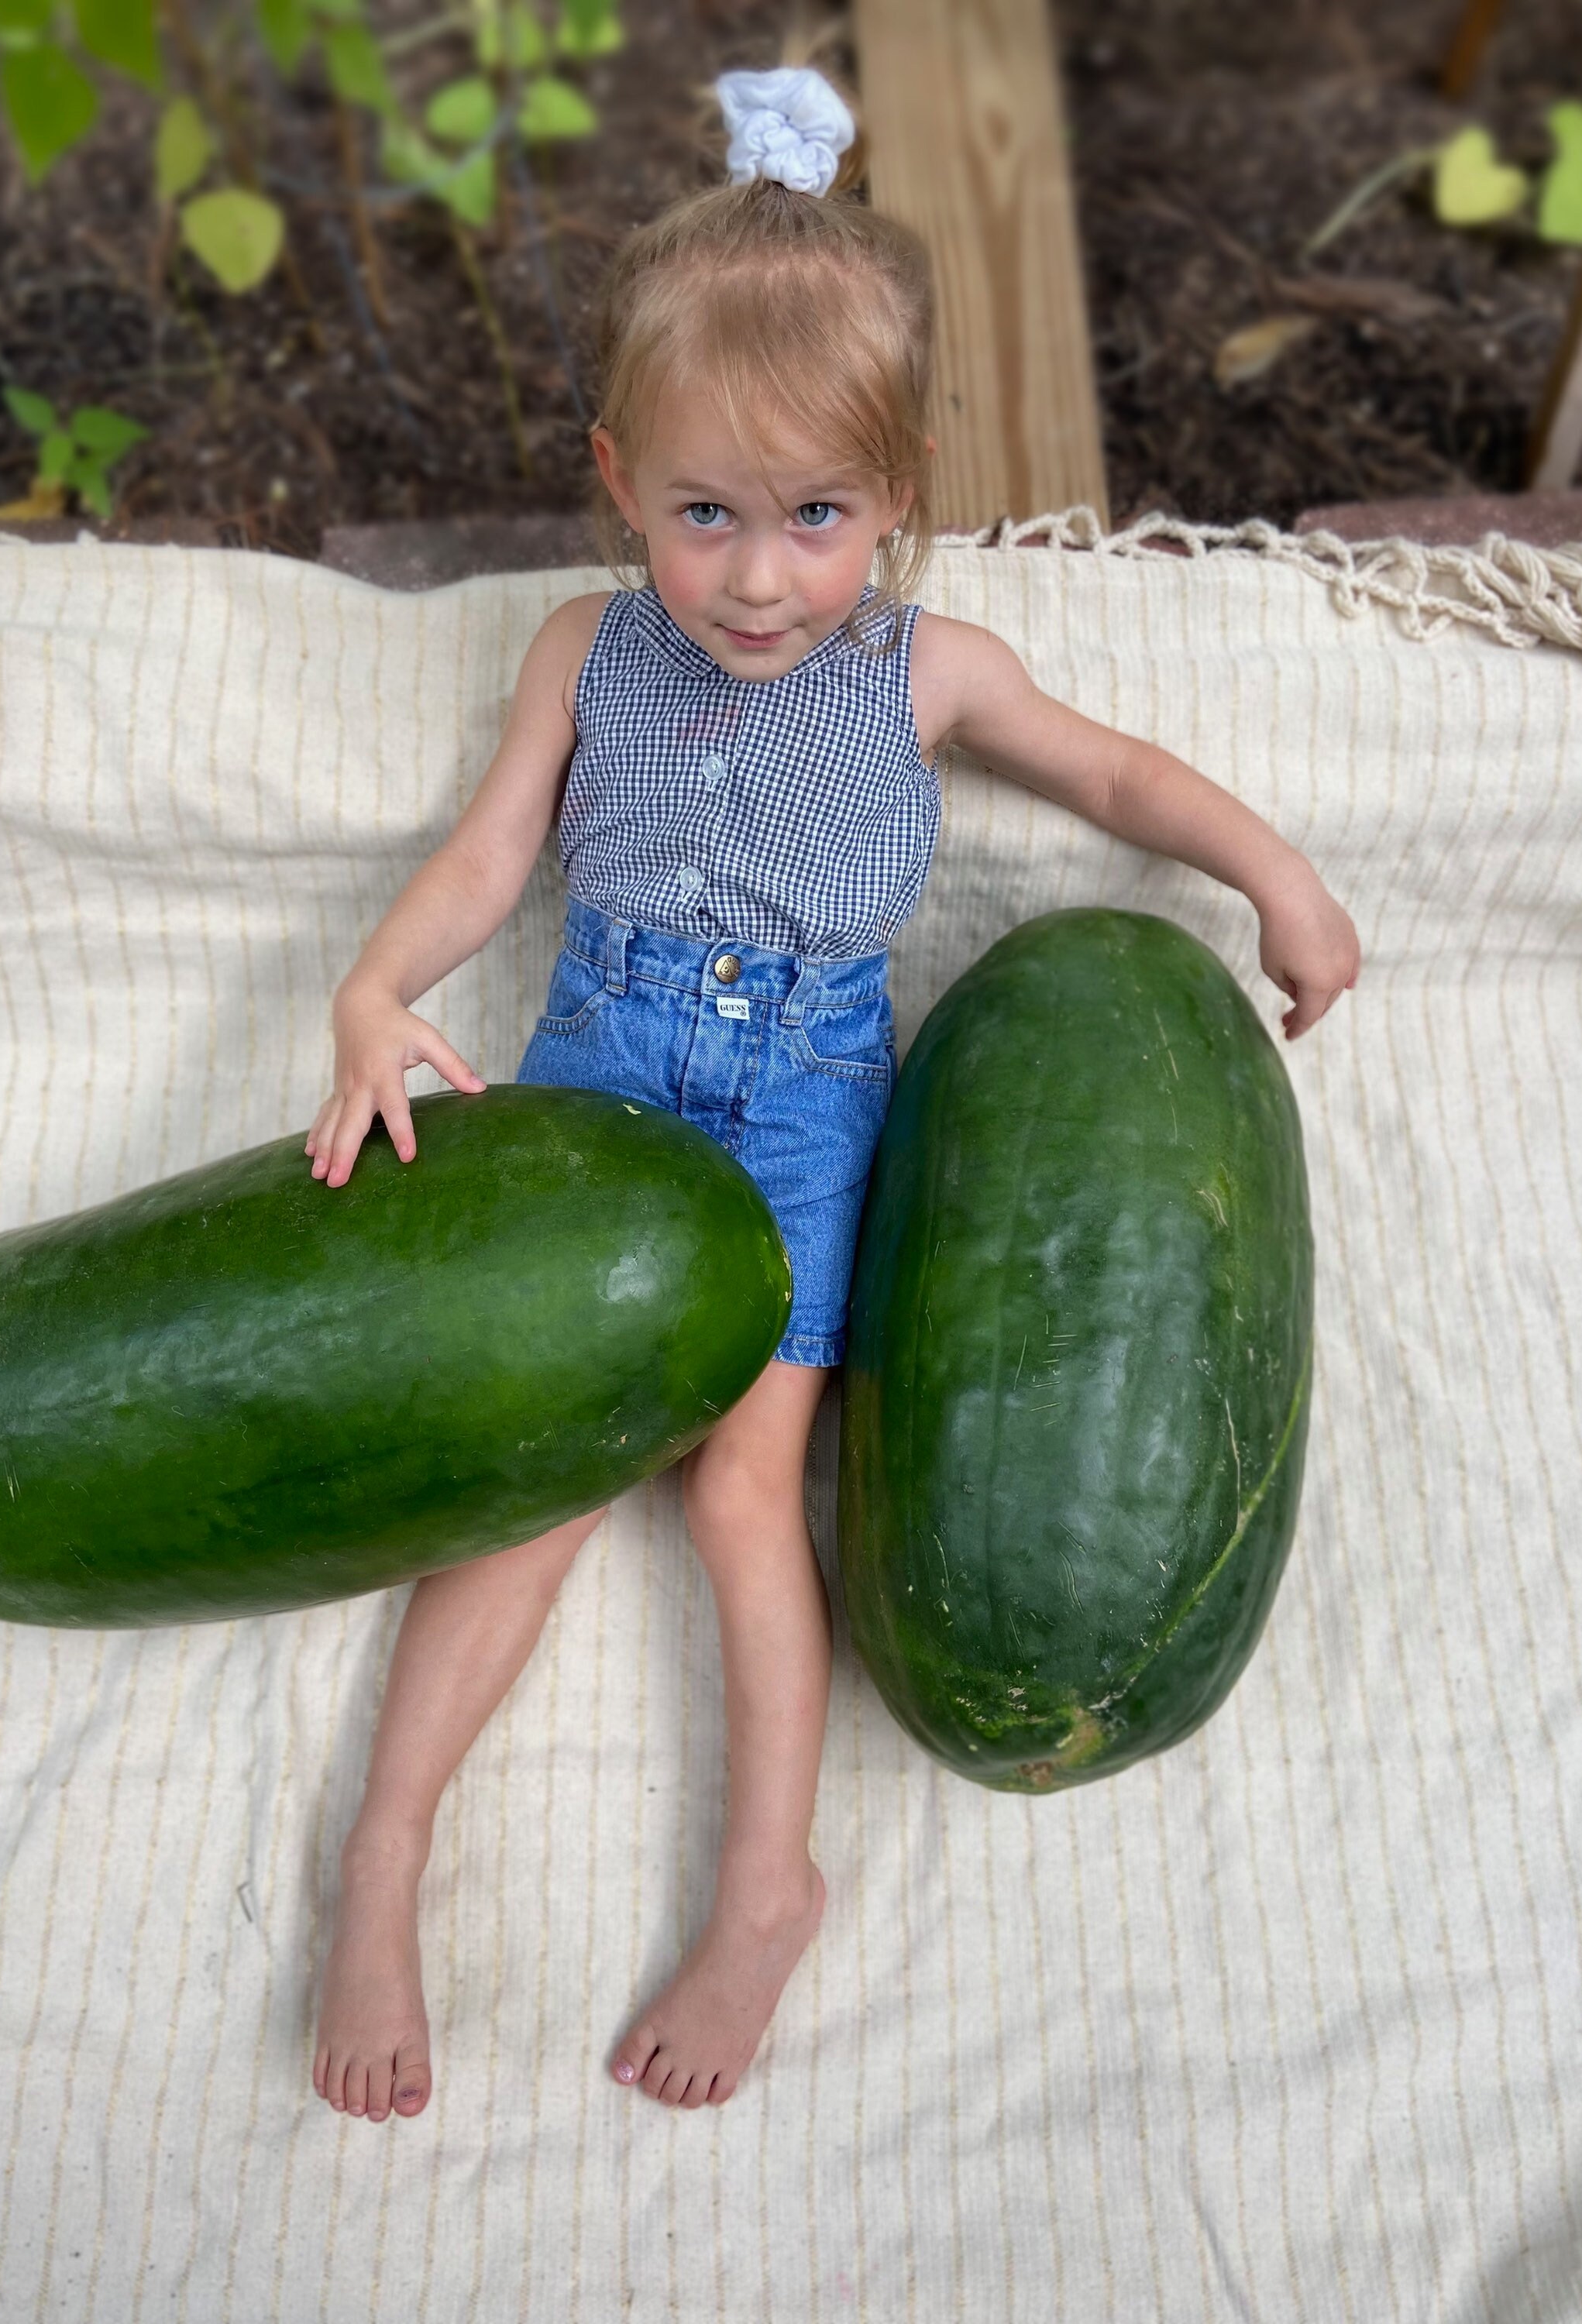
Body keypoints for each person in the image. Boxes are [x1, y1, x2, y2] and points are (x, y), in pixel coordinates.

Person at [306, 59, 1361, 2126]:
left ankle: (767, 1880)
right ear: (620, 480)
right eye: (704, 514)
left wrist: (1276, 877)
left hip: (797, 1104)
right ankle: (386, 1844)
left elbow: (1118, 779)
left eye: (814, 518)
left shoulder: (927, 669)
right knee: (530, 1486)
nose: (760, 577)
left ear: (900, 489)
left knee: (734, 1488)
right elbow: (486, 862)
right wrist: (372, 989)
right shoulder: (576, 654)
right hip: (595, 1079)